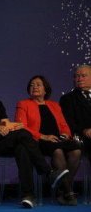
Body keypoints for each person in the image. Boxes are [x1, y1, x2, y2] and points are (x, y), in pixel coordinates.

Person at [0, 73, 69, 208]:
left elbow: (7, 124)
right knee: (22, 135)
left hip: (4, 141)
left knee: (22, 146)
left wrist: (12, 126)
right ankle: (48, 173)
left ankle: (28, 196)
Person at [15, 75, 81, 205]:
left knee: (76, 151)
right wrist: (42, 136)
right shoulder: (23, 104)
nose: (34, 87)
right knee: (58, 151)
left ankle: (63, 189)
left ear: (46, 89)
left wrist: (66, 134)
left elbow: (63, 125)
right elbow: (21, 126)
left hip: (57, 138)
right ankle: (67, 192)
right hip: (38, 140)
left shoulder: (54, 105)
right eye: (32, 85)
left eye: (38, 84)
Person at [60, 64, 91, 160]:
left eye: (83, 76)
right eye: (76, 76)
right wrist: (84, 130)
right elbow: (68, 121)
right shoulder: (67, 99)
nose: (79, 79)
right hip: (82, 136)